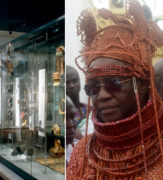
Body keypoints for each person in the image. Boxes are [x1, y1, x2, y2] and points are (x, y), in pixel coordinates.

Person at [67, 0, 163, 179]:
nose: (102, 96)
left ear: (142, 85)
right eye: (93, 88)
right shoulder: (83, 151)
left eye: (114, 84)